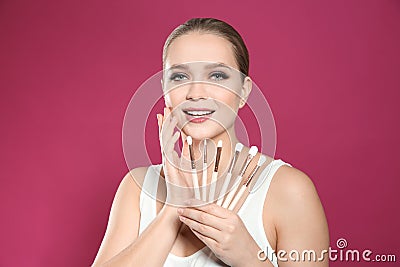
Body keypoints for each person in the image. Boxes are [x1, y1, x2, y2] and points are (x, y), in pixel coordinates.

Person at [91, 18, 329, 267]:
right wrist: (173, 210)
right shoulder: (137, 187)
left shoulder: (288, 190)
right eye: (180, 77)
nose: (196, 93)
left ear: (244, 92)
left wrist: (248, 256)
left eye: (217, 76)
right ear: (164, 89)